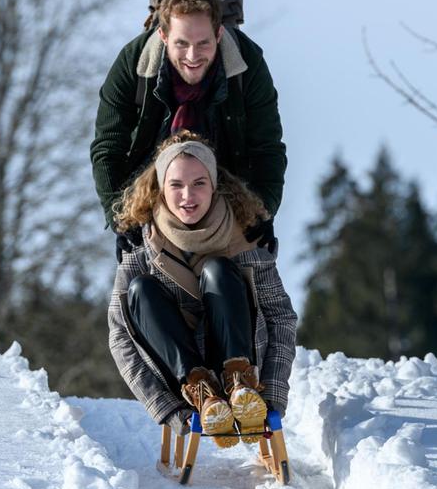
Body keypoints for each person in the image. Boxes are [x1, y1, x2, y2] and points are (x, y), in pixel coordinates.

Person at [107, 131, 297, 447]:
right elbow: (119, 336)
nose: (187, 196)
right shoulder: (141, 248)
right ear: (159, 188)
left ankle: (238, 383)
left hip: (244, 358)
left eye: (199, 183)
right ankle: (202, 390)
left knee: (219, 269)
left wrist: (274, 395)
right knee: (139, 290)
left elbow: (281, 319)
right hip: (181, 377)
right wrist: (167, 409)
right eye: (176, 185)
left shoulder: (245, 240)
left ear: (213, 186)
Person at [90, 0, 287, 262]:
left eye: (203, 43)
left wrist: (263, 212)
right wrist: (118, 217)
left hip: (228, 200)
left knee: (234, 286)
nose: (193, 56)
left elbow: (267, 148)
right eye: (182, 43)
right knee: (143, 292)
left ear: (218, 35)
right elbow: (108, 147)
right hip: (152, 201)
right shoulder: (132, 64)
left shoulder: (247, 64)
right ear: (163, 35)